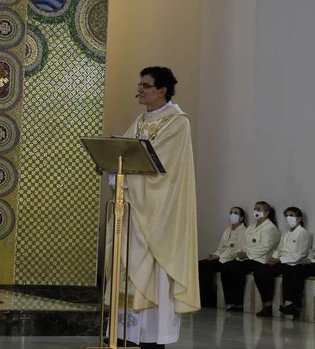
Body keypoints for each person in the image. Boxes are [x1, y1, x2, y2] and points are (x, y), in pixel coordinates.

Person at [103, 66, 199, 349]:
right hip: (134, 213)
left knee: (154, 276)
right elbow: (130, 155)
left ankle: (150, 340)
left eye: (146, 85)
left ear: (162, 90)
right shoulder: (142, 121)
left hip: (159, 216)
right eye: (140, 84)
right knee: (126, 269)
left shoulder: (178, 122)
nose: (140, 88)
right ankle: (123, 337)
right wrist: (117, 169)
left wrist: (127, 176)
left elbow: (162, 171)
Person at [220, 201, 280, 312]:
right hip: (246, 257)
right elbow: (243, 243)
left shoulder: (270, 228)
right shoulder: (251, 227)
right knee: (226, 267)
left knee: (237, 269)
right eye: (255, 209)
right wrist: (239, 252)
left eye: (259, 209)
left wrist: (247, 254)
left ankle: (238, 304)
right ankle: (229, 302)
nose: (255, 211)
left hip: (259, 259)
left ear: (266, 213)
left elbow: (265, 247)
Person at [253, 206, 311, 317]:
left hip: (291, 263)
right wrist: (273, 258)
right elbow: (279, 249)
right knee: (260, 271)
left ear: (298, 219)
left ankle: (289, 304)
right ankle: (267, 305)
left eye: (292, 216)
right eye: (287, 216)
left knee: (289, 271)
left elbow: (300, 254)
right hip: (279, 261)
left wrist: (280, 260)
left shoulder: (303, 233)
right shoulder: (285, 233)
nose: (289, 218)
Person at [198, 206, 247, 308]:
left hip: (230, 259)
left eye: (236, 213)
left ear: (241, 218)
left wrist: (220, 257)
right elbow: (221, 247)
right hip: (221, 258)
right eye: (231, 212)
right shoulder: (227, 230)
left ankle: (229, 302)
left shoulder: (244, 231)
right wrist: (215, 255)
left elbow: (237, 249)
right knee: (202, 265)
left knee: (225, 268)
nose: (232, 214)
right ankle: (206, 299)